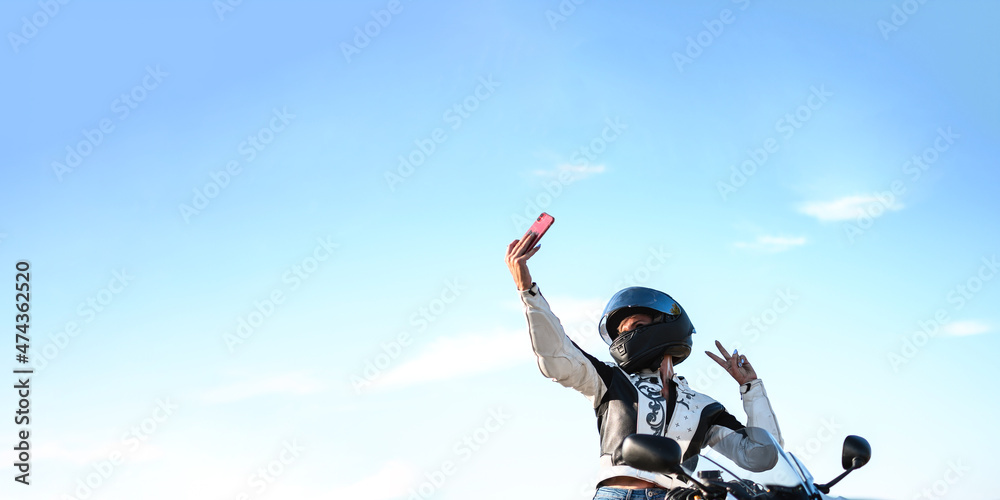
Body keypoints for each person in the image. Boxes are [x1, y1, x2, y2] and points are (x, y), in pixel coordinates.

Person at [505, 231, 782, 499]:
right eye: (621, 332)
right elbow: (557, 356)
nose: (626, 336)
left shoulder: (704, 408)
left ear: (665, 326)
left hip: (677, 497)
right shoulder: (610, 381)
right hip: (616, 494)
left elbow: (762, 456)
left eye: (636, 326)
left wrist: (751, 388)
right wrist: (528, 291)